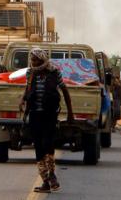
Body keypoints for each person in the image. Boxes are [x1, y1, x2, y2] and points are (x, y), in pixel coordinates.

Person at [19, 48, 73, 193]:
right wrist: (23, 100)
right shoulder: (30, 73)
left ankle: (52, 175)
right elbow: (28, 88)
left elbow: (65, 91)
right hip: (35, 115)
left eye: (36, 60)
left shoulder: (54, 72)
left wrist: (70, 113)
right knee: (38, 147)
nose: (34, 62)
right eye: (32, 60)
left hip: (50, 115)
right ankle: (46, 181)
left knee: (47, 144)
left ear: (43, 60)